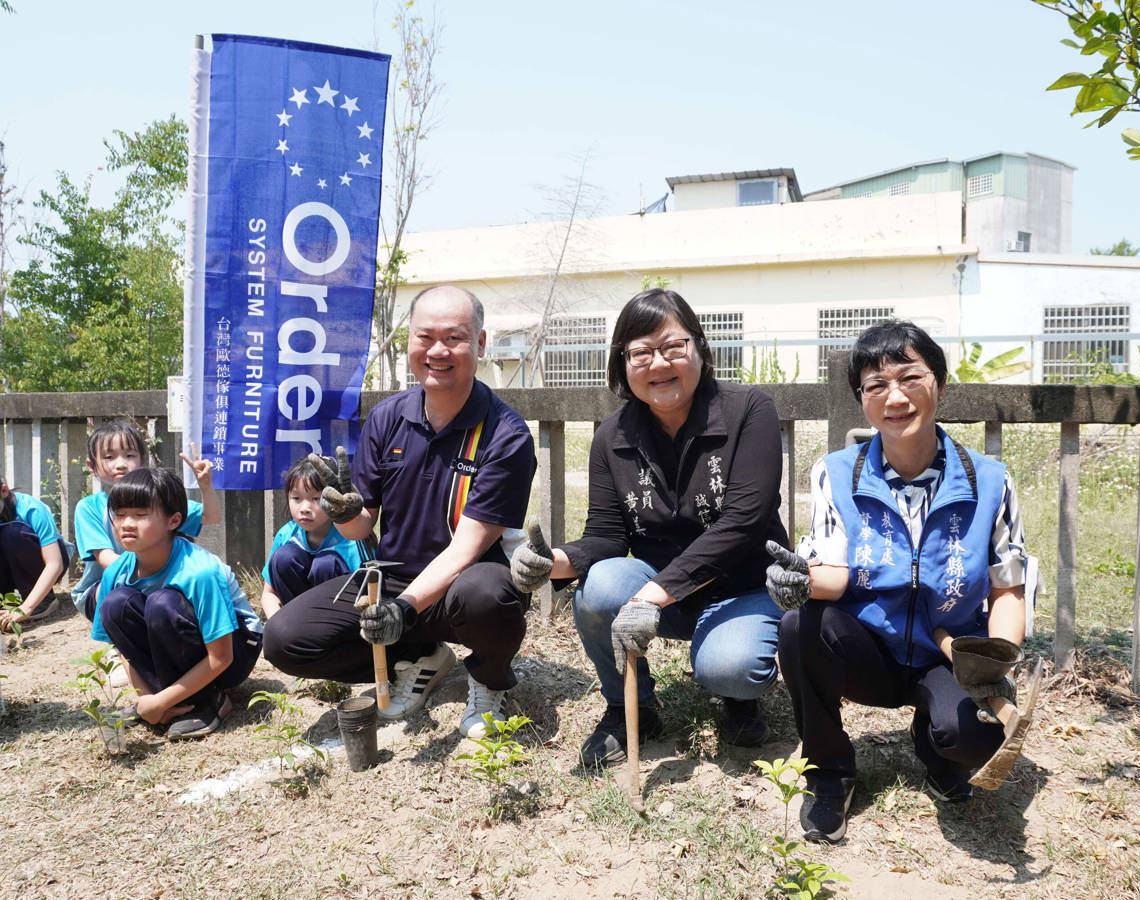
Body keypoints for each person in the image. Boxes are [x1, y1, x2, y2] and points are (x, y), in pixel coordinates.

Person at [768, 319, 1027, 843]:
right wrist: (801, 581)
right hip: (870, 649)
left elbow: (1008, 589)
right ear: (862, 399)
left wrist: (996, 660)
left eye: (911, 378)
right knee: (799, 626)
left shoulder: (990, 481)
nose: (895, 397)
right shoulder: (836, 473)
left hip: (947, 655)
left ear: (940, 385)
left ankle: (938, 748)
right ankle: (829, 773)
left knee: (976, 738)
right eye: (876, 385)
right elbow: (835, 573)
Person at [509, 288, 789, 766]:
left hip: (741, 588)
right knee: (599, 586)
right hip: (664, 594)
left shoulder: (749, 410)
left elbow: (744, 521)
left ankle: (735, 695)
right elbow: (606, 536)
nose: (658, 363)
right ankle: (629, 706)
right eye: (640, 352)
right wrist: (550, 563)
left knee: (731, 668)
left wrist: (651, 597)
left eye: (673, 346)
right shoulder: (612, 436)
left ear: (700, 347)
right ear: (622, 364)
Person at [263, 284, 536, 739]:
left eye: (454, 338)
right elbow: (361, 527)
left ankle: (489, 681)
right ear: (409, 341)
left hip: (467, 585)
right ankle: (418, 658)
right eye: (424, 337)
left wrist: (403, 610)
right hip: (391, 579)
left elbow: (468, 548)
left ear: (480, 344)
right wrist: (344, 513)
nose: (437, 351)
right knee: (284, 639)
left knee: (488, 595)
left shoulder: (505, 434)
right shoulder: (387, 418)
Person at [92, 467, 263, 739]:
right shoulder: (116, 572)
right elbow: (124, 648)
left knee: (162, 603)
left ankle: (209, 700)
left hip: (235, 650)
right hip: (185, 647)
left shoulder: (199, 571)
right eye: (120, 514)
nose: (126, 524)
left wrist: (160, 702)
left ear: (174, 521)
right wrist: (147, 700)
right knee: (116, 604)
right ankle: (170, 698)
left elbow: (222, 656)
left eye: (140, 515)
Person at [71, 419, 219, 621]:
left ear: (142, 459)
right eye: (109, 457)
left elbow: (210, 517)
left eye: (129, 455)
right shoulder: (89, 507)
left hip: (159, 582)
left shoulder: (159, 498)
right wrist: (149, 579)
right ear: (92, 465)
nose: (120, 464)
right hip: (106, 586)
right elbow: (106, 559)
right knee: (120, 599)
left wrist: (206, 486)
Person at [259, 456, 365, 619]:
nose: (304, 508)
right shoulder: (286, 534)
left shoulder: (352, 537)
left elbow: (367, 594)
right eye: (296, 498)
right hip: (294, 622)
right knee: (284, 558)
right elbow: (268, 593)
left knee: (325, 564)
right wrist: (277, 625)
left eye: (316, 499)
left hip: (340, 620)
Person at [0, 476, 73, 631]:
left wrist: (26, 608)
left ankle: (43, 600)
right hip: (9, 565)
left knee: (11, 534)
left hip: (46, 561)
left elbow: (55, 564)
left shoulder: (31, 508)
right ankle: (5, 602)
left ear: (4, 491)